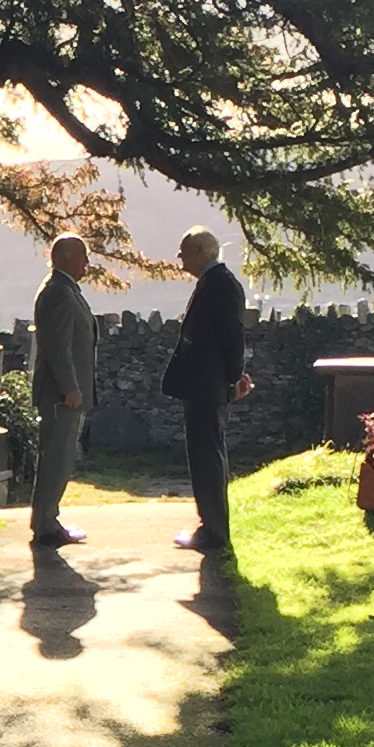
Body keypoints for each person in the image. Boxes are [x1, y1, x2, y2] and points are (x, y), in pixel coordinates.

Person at [162, 226, 253, 553]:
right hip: (203, 384)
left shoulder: (220, 285)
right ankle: (210, 525)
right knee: (204, 455)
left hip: (208, 386)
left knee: (207, 457)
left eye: (185, 251)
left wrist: (233, 377)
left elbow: (233, 336)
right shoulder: (212, 283)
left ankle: (214, 531)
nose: (180, 258)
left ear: (201, 251)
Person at [30, 232, 95, 546]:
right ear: (67, 258)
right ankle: (46, 525)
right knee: (56, 458)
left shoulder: (65, 289)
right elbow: (58, 347)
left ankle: (47, 519)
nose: (87, 263)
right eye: (83, 256)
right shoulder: (59, 292)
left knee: (61, 457)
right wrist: (70, 387)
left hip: (63, 395)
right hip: (60, 397)